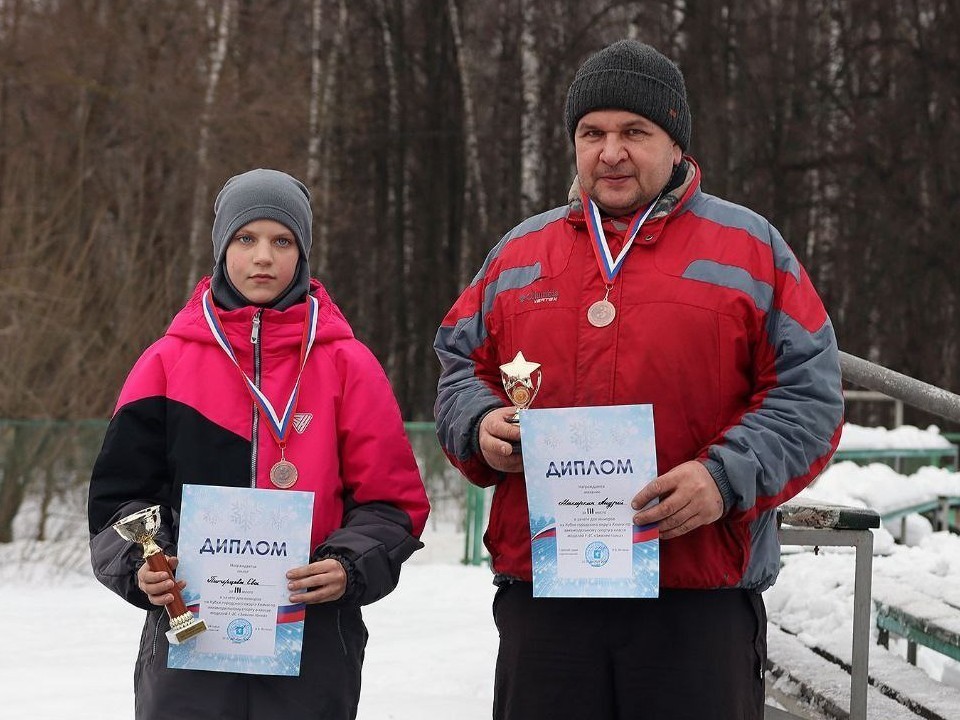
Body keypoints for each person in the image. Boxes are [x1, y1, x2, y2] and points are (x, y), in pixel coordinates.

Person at [434, 40, 843, 720]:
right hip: (548, 599)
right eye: (592, 133)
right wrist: (479, 424)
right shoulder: (518, 255)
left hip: (696, 598)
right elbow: (459, 369)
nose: (611, 152)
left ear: (675, 142)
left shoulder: (749, 249)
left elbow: (811, 396)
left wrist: (723, 477)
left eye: (634, 132)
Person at [88, 168, 430, 720]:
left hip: (312, 640)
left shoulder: (349, 365)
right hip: (187, 637)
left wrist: (348, 564)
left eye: (282, 240)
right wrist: (142, 565)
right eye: (246, 239)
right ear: (222, 248)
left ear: (304, 253)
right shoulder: (166, 364)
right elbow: (117, 500)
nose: (263, 257)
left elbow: (393, 504)